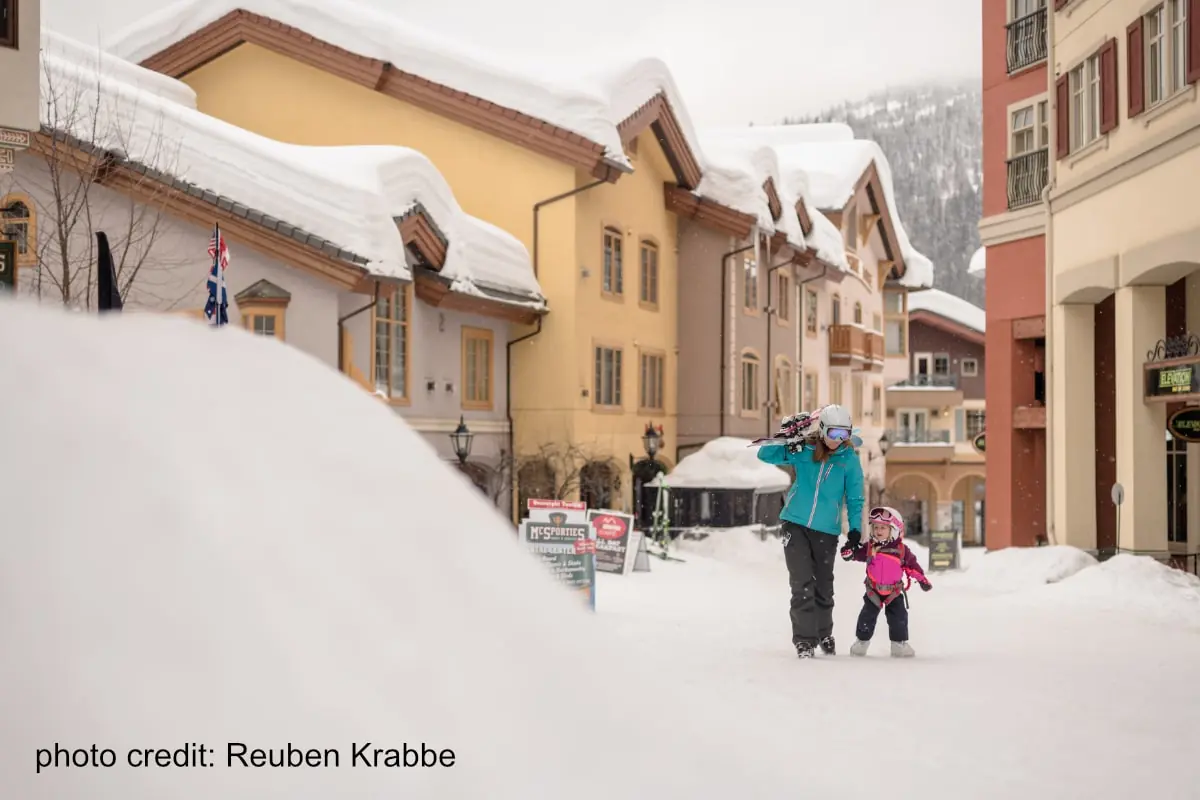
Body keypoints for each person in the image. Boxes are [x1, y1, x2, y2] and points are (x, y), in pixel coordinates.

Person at [756, 404, 864, 659]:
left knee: (823, 587)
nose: (839, 440)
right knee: (802, 584)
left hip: (826, 531)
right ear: (823, 429)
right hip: (795, 524)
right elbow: (764, 455)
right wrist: (784, 438)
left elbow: (856, 498)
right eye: (835, 433)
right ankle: (804, 640)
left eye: (844, 434)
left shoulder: (849, 460)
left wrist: (856, 531)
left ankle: (823, 632)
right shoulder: (802, 449)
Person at [840, 505, 932, 657]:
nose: (878, 531)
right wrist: (849, 553)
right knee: (866, 617)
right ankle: (861, 642)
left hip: (894, 592)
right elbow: (855, 555)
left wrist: (922, 580)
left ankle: (899, 644)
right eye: (876, 527)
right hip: (873, 590)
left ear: (894, 529)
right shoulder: (869, 547)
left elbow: (913, 566)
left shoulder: (902, 550)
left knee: (899, 617)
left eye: (883, 527)